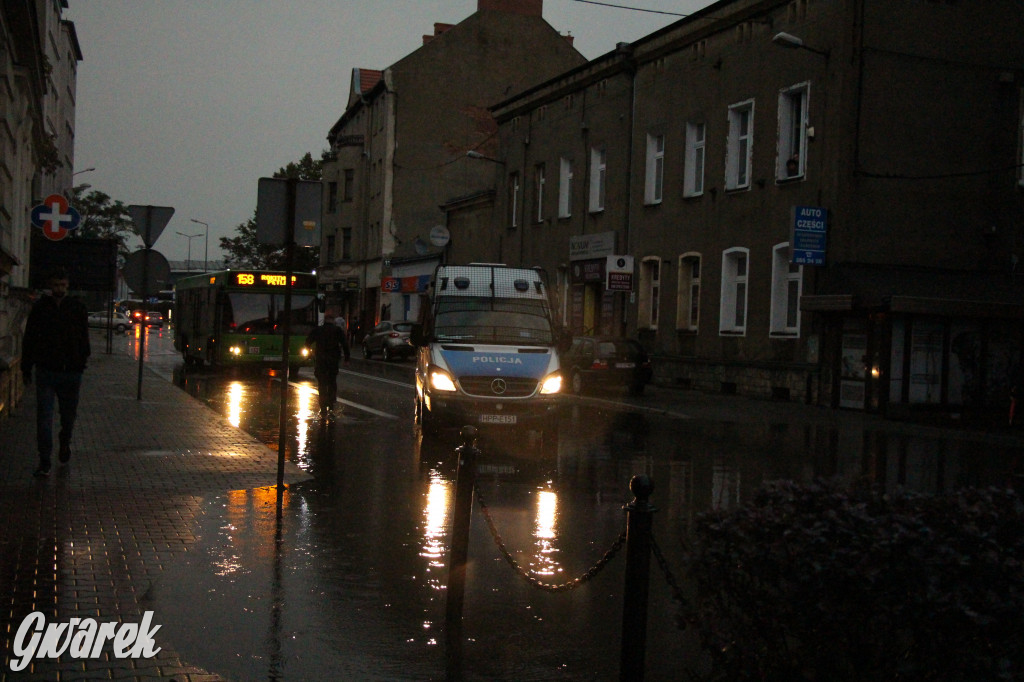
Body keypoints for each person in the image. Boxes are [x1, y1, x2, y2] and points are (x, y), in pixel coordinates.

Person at [21, 267, 91, 476]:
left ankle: (65, 440)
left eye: (62, 285)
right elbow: (30, 338)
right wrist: (26, 366)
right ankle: (44, 460)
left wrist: (80, 362)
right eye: (56, 285)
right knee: (44, 417)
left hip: (71, 372)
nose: (59, 289)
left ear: (67, 286)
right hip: (46, 371)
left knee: (68, 416)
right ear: (50, 286)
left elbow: (83, 338)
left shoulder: (77, 308)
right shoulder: (41, 308)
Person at [304, 316, 350, 418]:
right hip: (333, 360)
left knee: (322, 383)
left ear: (324, 321)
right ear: (332, 322)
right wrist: (347, 358)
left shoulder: (318, 330)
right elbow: (345, 344)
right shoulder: (337, 330)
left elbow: (308, 342)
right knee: (332, 381)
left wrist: (309, 353)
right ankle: (331, 403)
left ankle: (323, 407)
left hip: (321, 360)